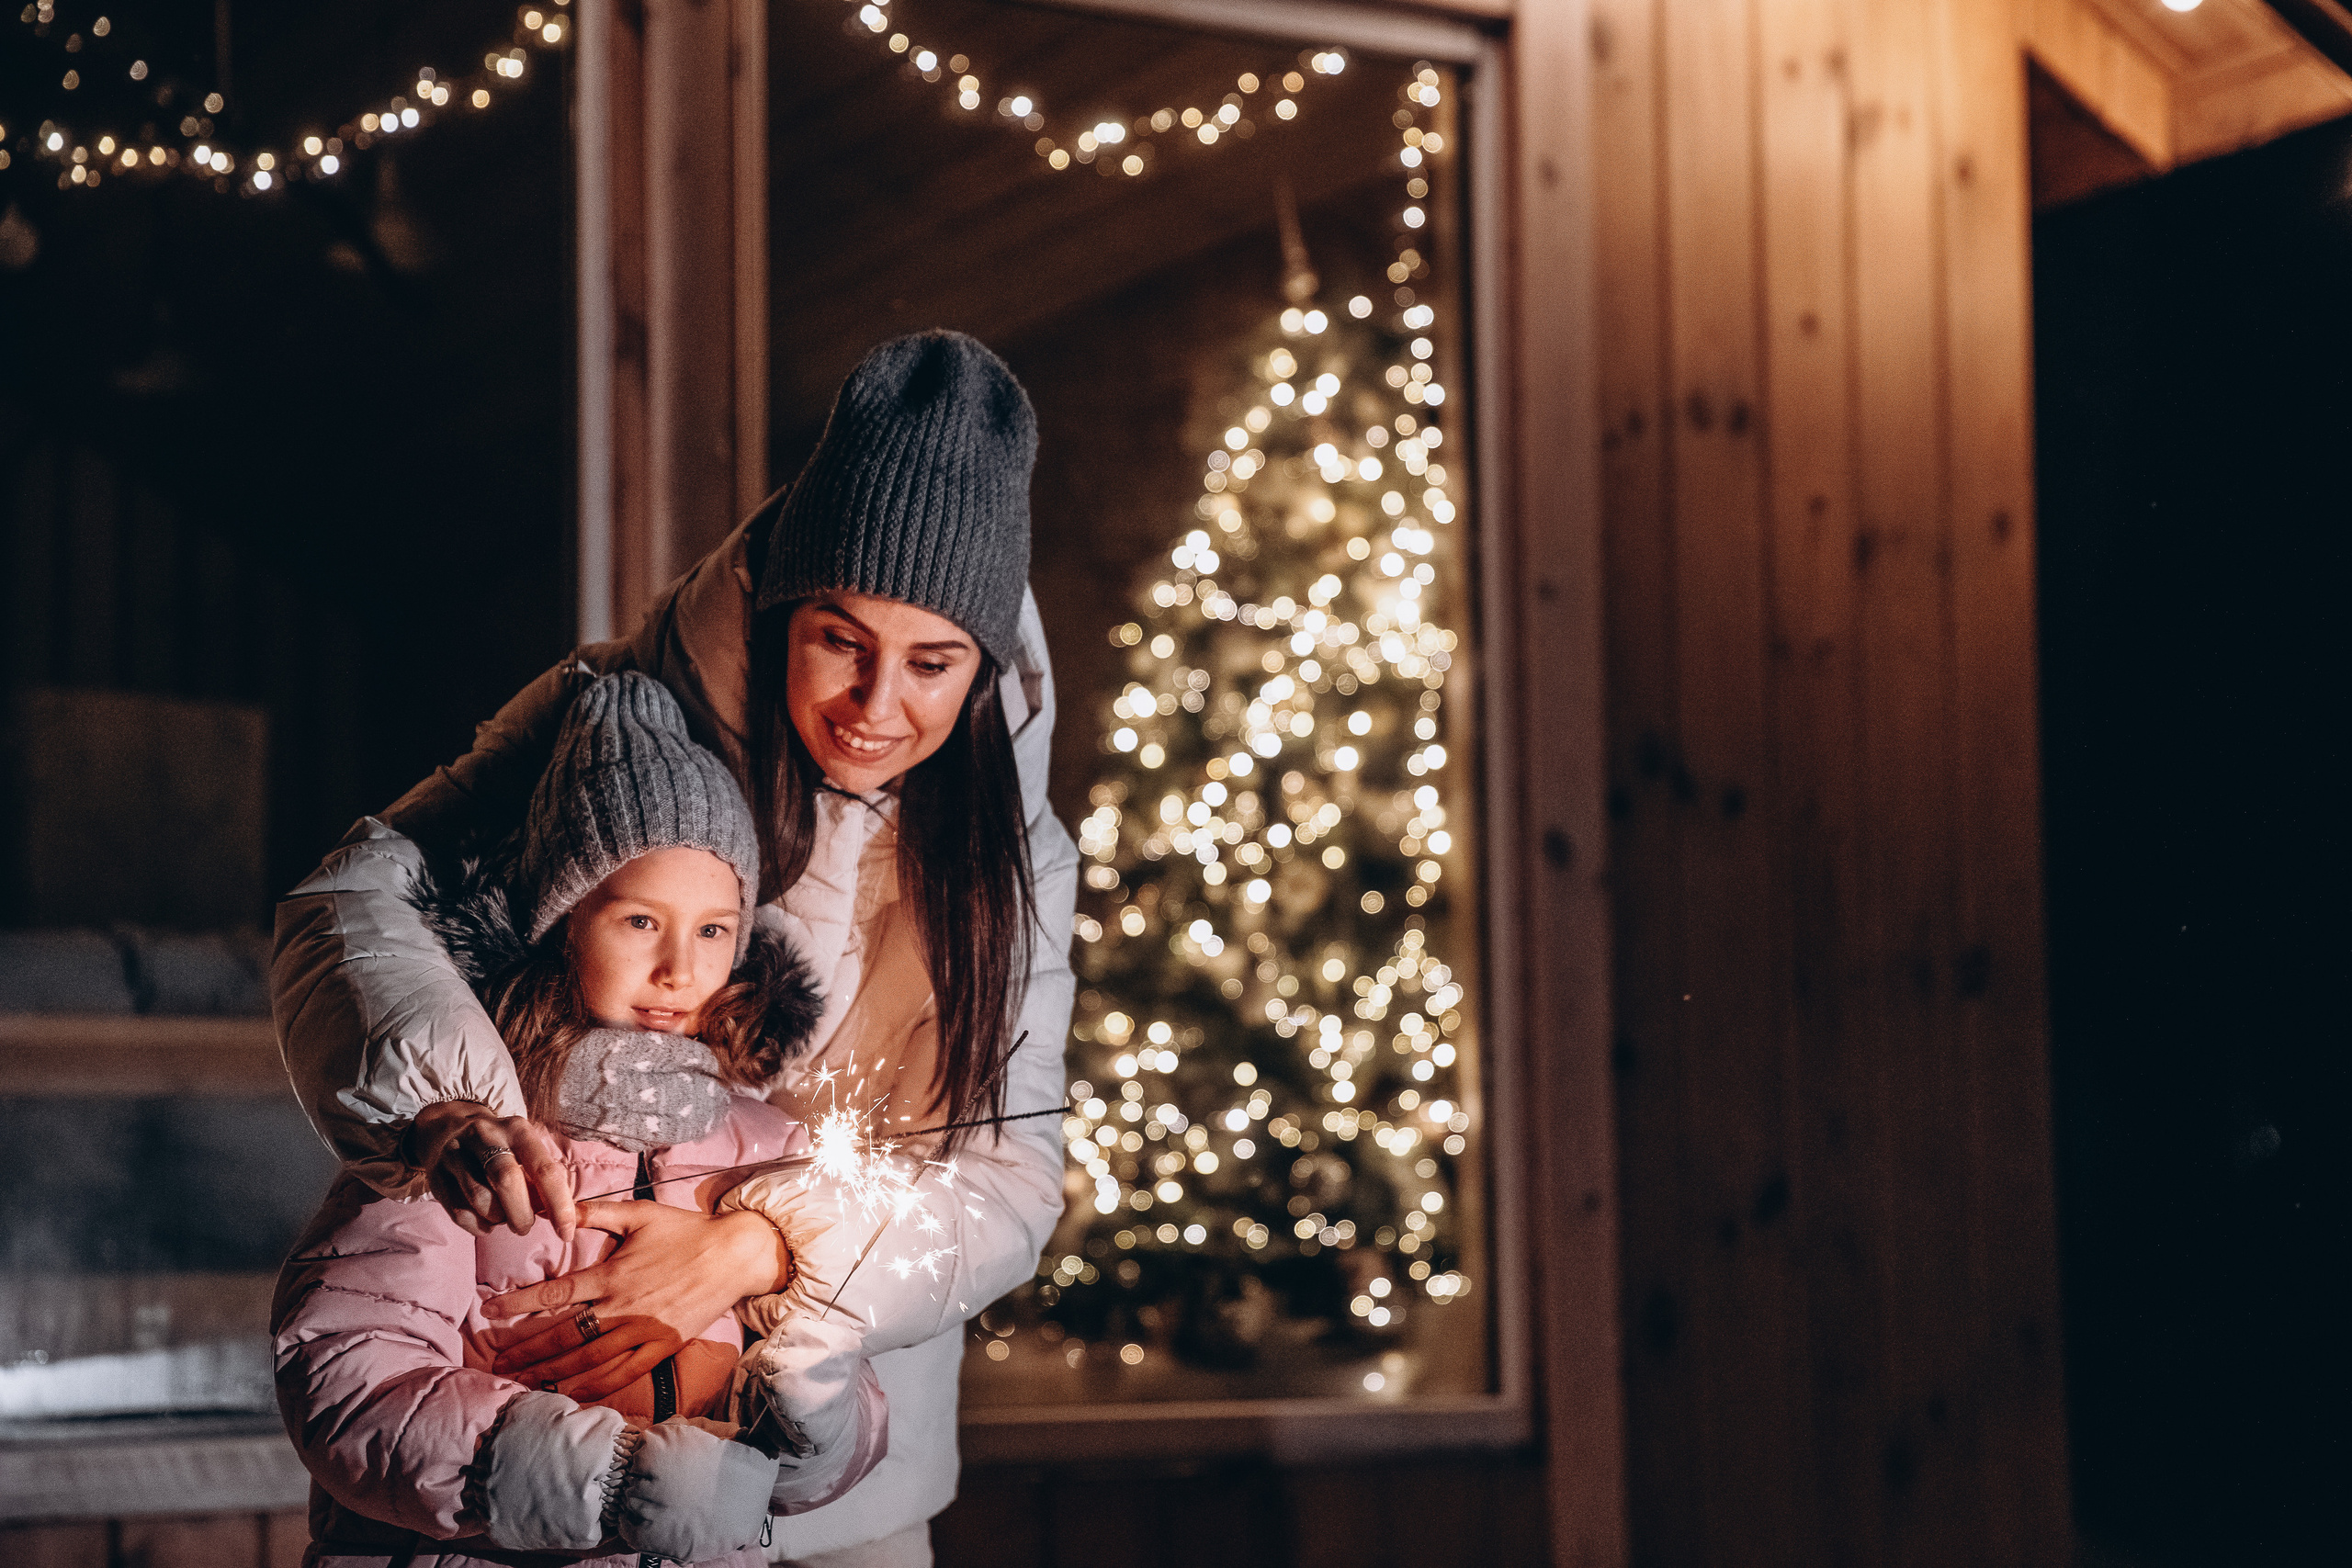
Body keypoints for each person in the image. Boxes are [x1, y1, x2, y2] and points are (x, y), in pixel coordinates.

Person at [274, 331, 1076, 1566]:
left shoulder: (1012, 858)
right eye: (841, 639)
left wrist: (760, 1252)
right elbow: (355, 901)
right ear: (783, 605)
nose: (877, 706)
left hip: (835, 1462)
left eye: (932, 664)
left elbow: (1009, 1180)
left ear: (981, 672)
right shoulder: (610, 732)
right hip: (512, 1445)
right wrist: (451, 1105)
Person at [273, 671, 889, 1567]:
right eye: (641, 920)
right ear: (565, 923)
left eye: (715, 930)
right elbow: (345, 1375)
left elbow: (849, 1406)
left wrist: (808, 1417)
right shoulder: (472, 1131)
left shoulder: (768, 1152)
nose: (680, 968)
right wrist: (603, 1481)